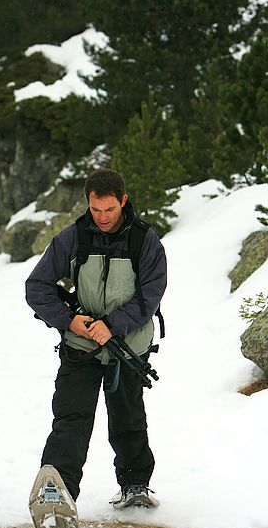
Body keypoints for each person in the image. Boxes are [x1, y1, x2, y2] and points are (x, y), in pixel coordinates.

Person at [25, 168, 167, 509]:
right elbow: (37, 287)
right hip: (82, 346)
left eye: (110, 210)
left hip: (127, 348)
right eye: (95, 210)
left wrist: (112, 325)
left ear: (123, 201)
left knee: (127, 417)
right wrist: (69, 321)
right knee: (71, 418)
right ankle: (56, 491)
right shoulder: (73, 238)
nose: (102, 217)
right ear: (88, 203)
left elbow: (150, 295)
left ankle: (134, 485)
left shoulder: (145, 242)